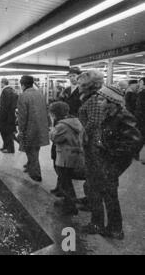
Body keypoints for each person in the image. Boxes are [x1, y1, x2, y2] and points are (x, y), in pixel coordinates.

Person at [85, 86, 142, 239]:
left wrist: (110, 150)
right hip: (102, 160)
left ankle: (115, 229)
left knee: (109, 194)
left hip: (112, 162)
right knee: (98, 191)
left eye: (102, 99)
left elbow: (134, 143)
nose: (98, 102)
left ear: (112, 102)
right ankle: (99, 224)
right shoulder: (109, 114)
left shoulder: (124, 117)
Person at [77, 70, 106, 234]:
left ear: (89, 86)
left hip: (94, 146)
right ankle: (89, 202)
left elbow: (94, 122)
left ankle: (97, 223)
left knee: (94, 182)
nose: (78, 87)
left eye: (81, 84)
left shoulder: (95, 99)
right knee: (91, 178)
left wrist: (81, 134)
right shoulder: (91, 98)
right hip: (90, 144)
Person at [49, 102, 85, 216]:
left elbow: (55, 138)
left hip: (65, 156)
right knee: (66, 180)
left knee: (65, 182)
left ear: (55, 113)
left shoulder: (62, 126)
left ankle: (70, 206)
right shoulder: (75, 121)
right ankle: (67, 202)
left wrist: (51, 130)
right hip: (74, 154)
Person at [17, 76, 50, 182]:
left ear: (22, 85)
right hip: (41, 127)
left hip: (29, 128)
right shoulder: (40, 94)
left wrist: (21, 130)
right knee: (35, 149)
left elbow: (22, 116)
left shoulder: (23, 96)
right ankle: (30, 166)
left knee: (31, 151)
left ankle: (36, 174)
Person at [0, 79, 18, 154]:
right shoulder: (11, 90)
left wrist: (1, 113)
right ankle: (5, 147)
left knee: (7, 133)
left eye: (1, 83)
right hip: (9, 115)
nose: (0, 85)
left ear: (3, 83)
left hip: (6, 116)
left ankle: (10, 149)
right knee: (5, 132)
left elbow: (6, 105)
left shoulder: (6, 91)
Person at [135, 77, 145, 165]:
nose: (139, 84)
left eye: (141, 82)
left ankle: (135, 153)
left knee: (141, 137)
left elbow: (139, 108)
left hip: (142, 119)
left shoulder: (142, 93)